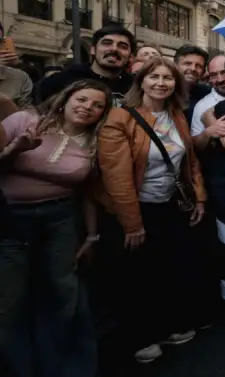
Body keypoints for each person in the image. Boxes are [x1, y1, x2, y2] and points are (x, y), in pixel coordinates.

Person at [95, 57, 206, 364]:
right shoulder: (121, 118)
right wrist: (132, 224)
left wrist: (199, 198)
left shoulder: (177, 115)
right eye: (154, 77)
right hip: (135, 209)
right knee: (136, 277)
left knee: (165, 270)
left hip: (169, 205)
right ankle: (139, 338)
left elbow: (190, 162)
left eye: (167, 78)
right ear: (141, 81)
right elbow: (116, 177)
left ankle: (164, 327)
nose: (161, 83)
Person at [0, 80, 111, 377]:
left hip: (60, 219)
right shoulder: (24, 120)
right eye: (82, 99)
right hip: (10, 219)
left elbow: (88, 193)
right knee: (10, 301)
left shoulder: (95, 142)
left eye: (97, 105)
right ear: (65, 99)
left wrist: (91, 235)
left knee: (63, 293)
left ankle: (65, 367)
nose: (87, 107)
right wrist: (15, 149)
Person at [38, 24, 135, 105]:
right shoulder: (66, 78)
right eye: (106, 43)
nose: (114, 49)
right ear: (93, 50)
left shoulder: (136, 86)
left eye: (122, 46)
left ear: (131, 56)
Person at [174, 45, 211, 123]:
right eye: (187, 63)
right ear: (175, 65)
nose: (193, 68)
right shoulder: (163, 91)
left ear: (203, 72)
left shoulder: (209, 94)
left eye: (199, 66)